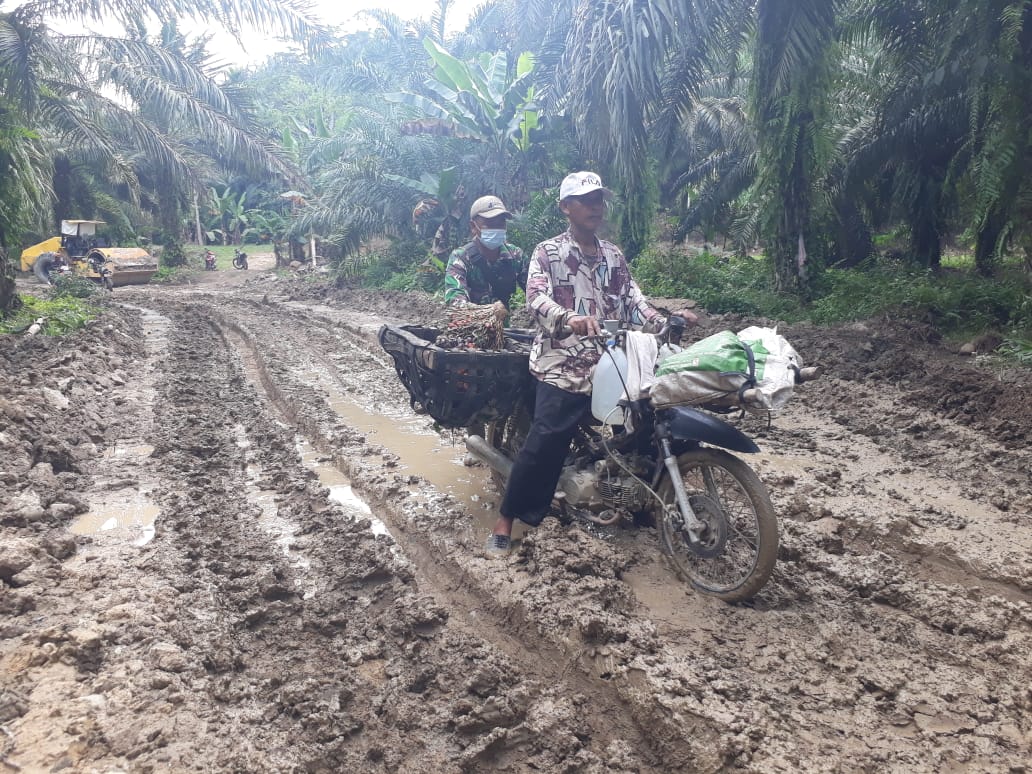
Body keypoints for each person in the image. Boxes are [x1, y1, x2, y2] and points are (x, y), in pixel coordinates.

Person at [484, 171, 698, 557]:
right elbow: (535, 298)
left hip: (612, 361)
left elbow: (634, 301)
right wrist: (568, 318)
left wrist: (666, 322)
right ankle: (506, 519)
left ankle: (639, 496)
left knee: (649, 425)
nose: (595, 206)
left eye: (598, 199)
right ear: (565, 207)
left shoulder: (613, 255)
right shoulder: (547, 253)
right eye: (585, 200)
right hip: (562, 364)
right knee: (545, 440)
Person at [445, 195, 528, 320]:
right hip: (470, 332)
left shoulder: (515, 255)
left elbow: (535, 291)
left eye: (501, 223)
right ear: (473, 227)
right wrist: (489, 311)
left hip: (505, 333)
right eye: (490, 223)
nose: (497, 229)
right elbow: (455, 305)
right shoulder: (460, 258)